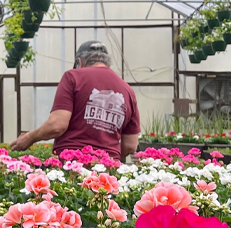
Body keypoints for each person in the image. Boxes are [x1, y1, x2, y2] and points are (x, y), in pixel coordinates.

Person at [9, 41, 141, 160]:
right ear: (107, 63)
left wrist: (29, 138)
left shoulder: (73, 77)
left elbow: (57, 125)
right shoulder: (128, 90)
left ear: (80, 62)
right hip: (107, 174)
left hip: (72, 165)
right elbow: (130, 146)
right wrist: (107, 158)